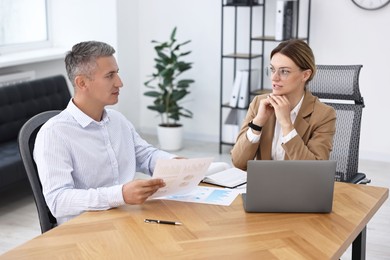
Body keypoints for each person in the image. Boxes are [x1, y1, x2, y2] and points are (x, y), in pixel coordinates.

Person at [34, 41, 177, 225]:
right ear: (82, 82)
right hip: (85, 231)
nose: (120, 82)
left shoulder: (117, 120)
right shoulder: (53, 134)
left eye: (117, 73)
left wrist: (176, 164)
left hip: (127, 218)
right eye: (110, 75)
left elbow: (146, 155)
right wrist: (120, 195)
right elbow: (58, 201)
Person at [231, 39, 336, 170]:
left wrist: (287, 124)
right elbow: (238, 162)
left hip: (299, 188)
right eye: (272, 69)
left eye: (284, 71)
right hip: (264, 186)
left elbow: (313, 171)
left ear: (305, 75)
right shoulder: (259, 103)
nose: (274, 78)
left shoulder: (324, 115)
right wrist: (257, 123)